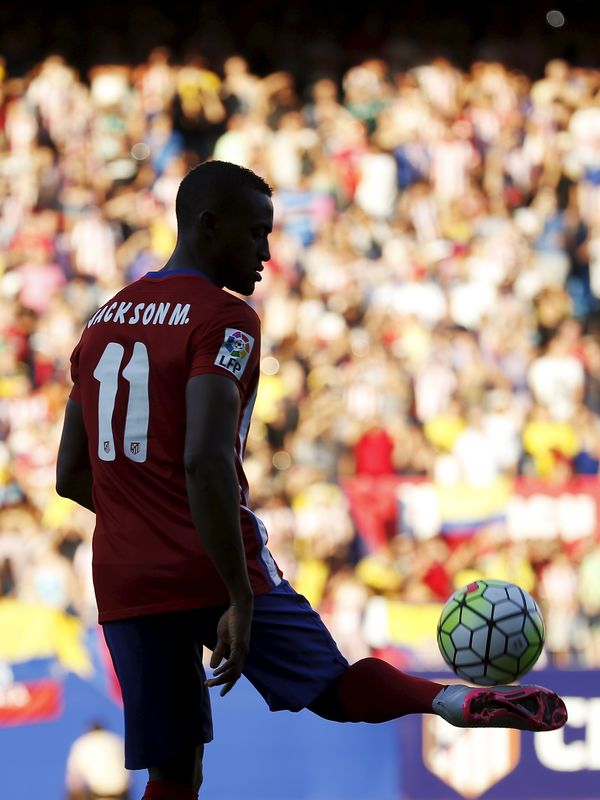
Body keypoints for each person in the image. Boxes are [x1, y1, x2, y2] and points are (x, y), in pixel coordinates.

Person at [56, 160, 568, 800]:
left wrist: (140, 516)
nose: (267, 254)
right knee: (331, 687)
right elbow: (206, 458)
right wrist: (237, 596)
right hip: (213, 559)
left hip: (126, 570)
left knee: (172, 774)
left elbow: (70, 474)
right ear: (210, 226)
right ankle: (450, 701)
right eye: (256, 234)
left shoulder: (102, 319)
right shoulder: (226, 319)